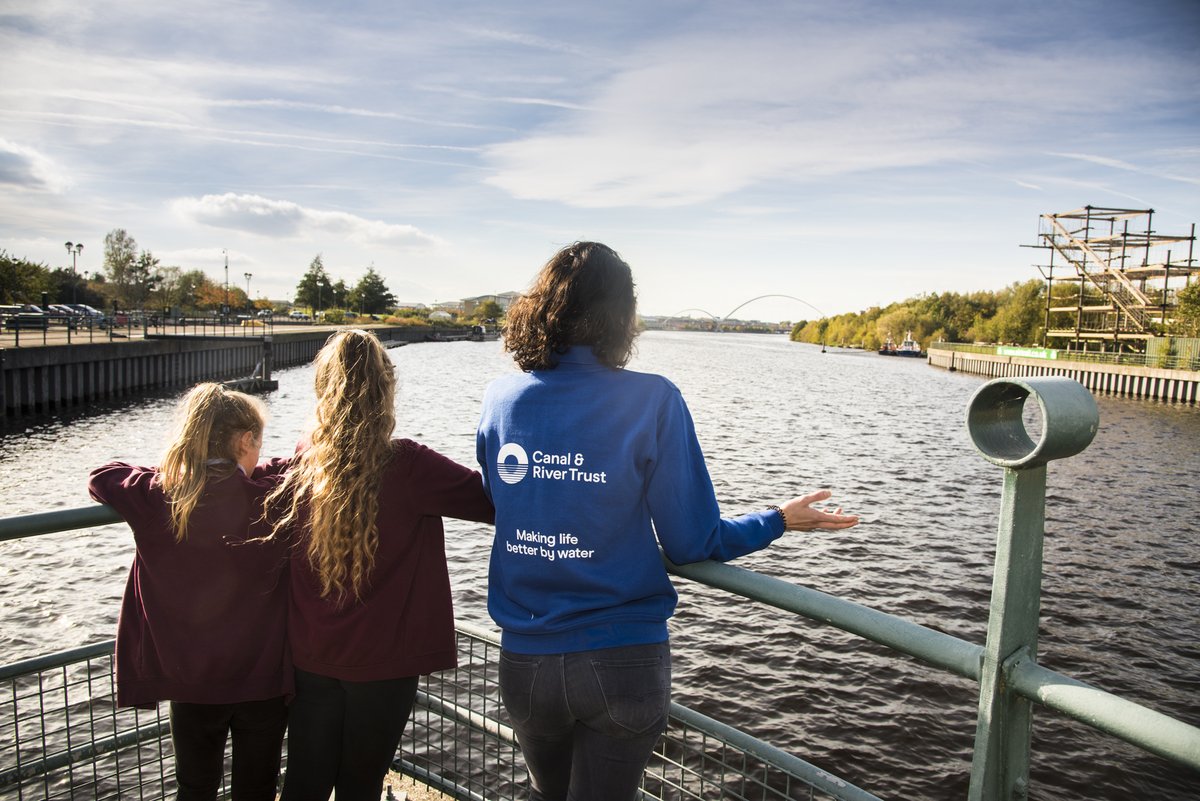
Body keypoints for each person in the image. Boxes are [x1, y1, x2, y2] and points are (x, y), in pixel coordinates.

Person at [476, 242, 860, 801]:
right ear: (621, 318)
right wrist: (778, 519)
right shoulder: (652, 399)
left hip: (526, 659)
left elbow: (504, 501)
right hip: (622, 658)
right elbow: (691, 541)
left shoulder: (501, 398)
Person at [269, 330, 494, 801]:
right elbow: (494, 502)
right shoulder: (410, 465)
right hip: (385, 664)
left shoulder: (302, 465)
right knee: (361, 785)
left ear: (323, 388)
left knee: (304, 783)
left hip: (310, 656)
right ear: (385, 389)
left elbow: (244, 481)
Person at [87, 383, 291, 801]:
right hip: (263, 680)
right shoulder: (273, 497)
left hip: (191, 680)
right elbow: (295, 466)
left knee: (195, 786)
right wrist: (265, 469)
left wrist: (175, 472)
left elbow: (103, 475)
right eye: (259, 444)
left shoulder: (158, 496)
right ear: (246, 440)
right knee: (258, 786)